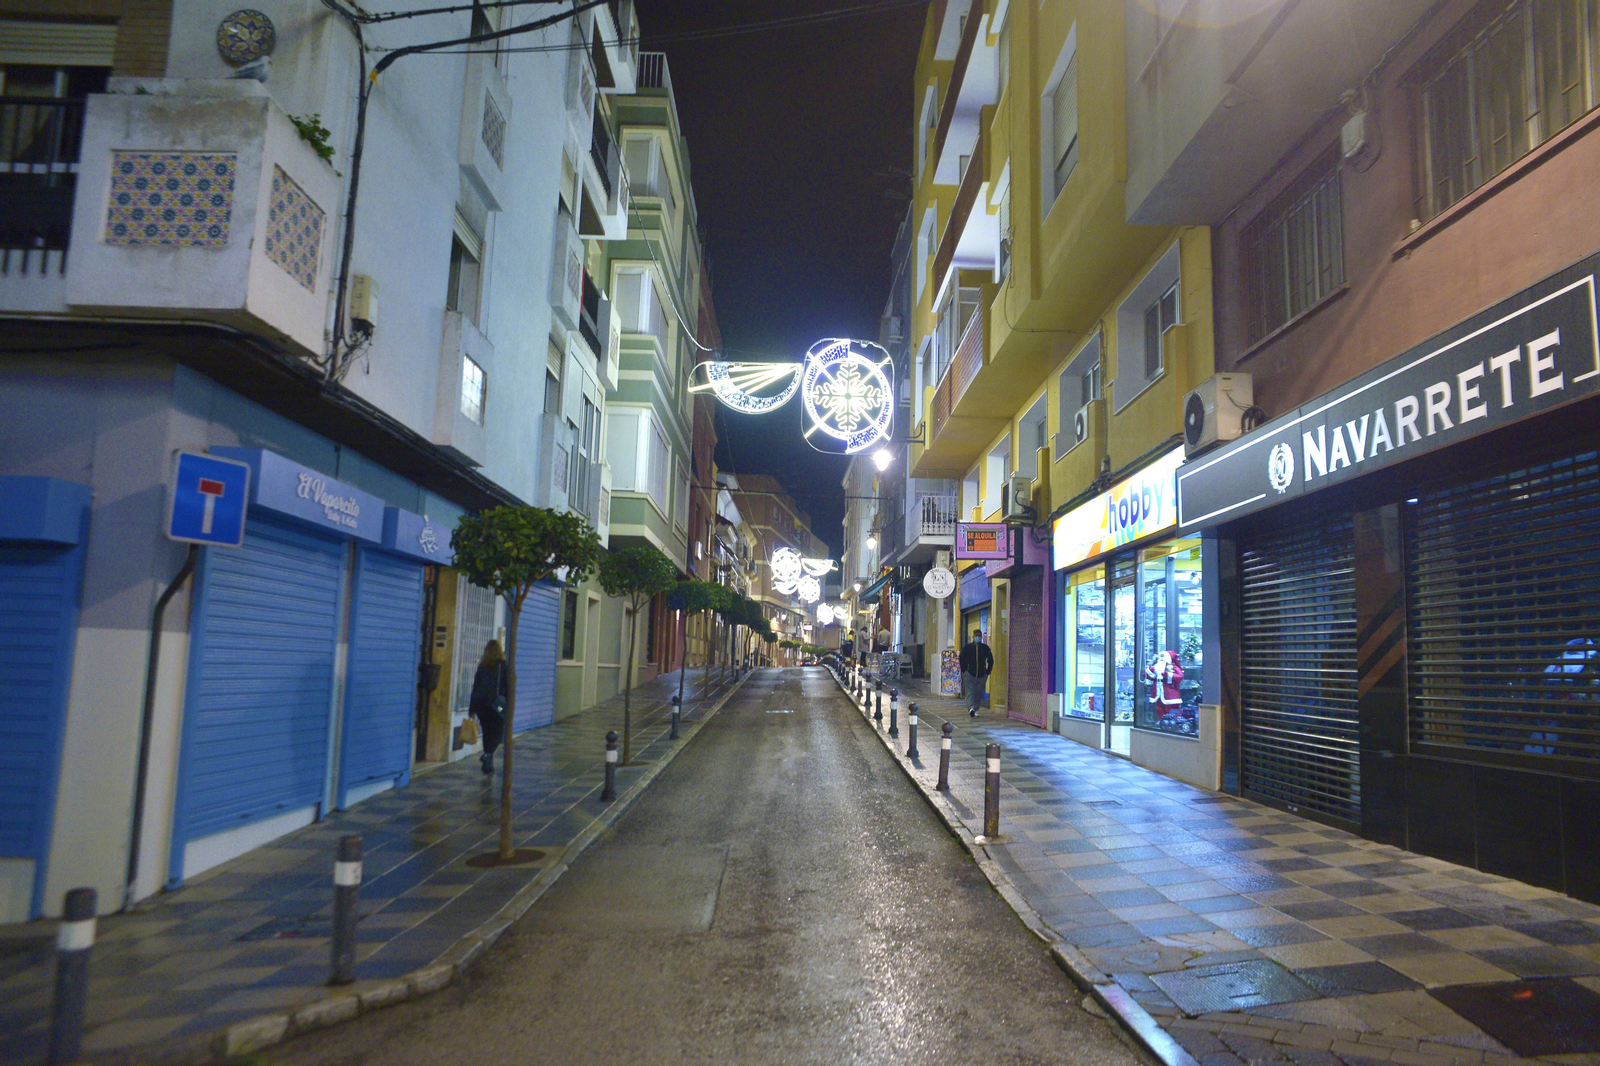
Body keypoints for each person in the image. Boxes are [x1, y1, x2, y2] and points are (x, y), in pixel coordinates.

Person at [468, 639, 508, 774]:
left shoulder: (482, 666)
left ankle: (488, 762)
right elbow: (507, 686)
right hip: (496, 705)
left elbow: (475, 688)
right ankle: (488, 755)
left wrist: (471, 709)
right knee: (498, 732)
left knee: (487, 731)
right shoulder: (503, 666)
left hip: (480, 705)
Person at [959, 630, 994, 718]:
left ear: (981, 636)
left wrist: (988, 671)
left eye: (979, 635)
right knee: (970, 691)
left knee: (978, 692)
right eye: (976, 635)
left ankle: (976, 709)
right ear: (973, 636)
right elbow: (962, 659)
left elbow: (990, 660)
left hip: (982, 674)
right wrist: (964, 670)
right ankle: (971, 708)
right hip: (970, 673)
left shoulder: (985, 648)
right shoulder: (968, 647)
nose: (978, 637)